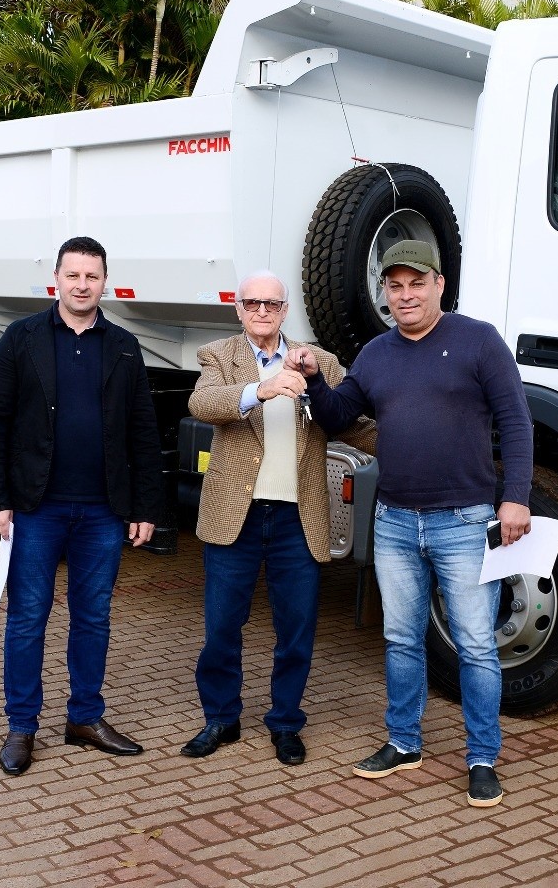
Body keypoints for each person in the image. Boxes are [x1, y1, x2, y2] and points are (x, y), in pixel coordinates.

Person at [286, 239, 533, 808]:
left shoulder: (478, 342)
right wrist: (315, 381)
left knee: (474, 644)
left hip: (465, 521)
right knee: (400, 639)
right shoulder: (376, 353)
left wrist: (514, 497)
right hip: (395, 520)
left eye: (416, 283)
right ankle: (403, 743)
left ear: (440, 284)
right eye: (395, 286)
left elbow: (516, 423)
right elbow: (338, 416)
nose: (406, 295)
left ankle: (481, 757)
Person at [0, 235, 165, 776]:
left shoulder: (125, 345)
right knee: (28, 617)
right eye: (73, 275)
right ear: (55, 279)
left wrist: (144, 507)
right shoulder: (22, 338)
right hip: (37, 508)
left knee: (94, 617)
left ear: (105, 281)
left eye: (92, 276)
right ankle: (22, 727)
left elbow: (142, 432)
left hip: (103, 512)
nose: (82, 285)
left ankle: (84, 717)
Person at [182, 270, 375, 765]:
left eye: (272, 304)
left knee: (296, 631)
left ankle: (286, 723)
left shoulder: (318, 361)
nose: (262, 312)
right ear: (239, 309)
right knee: (222, 627)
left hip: (297, 518)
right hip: (234, 516)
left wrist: (417, 444)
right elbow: (202, 402)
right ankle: (221, 718)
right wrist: (259, 390)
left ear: (286, 311)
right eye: (252, 303)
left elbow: (349, 422)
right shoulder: (220, 355)